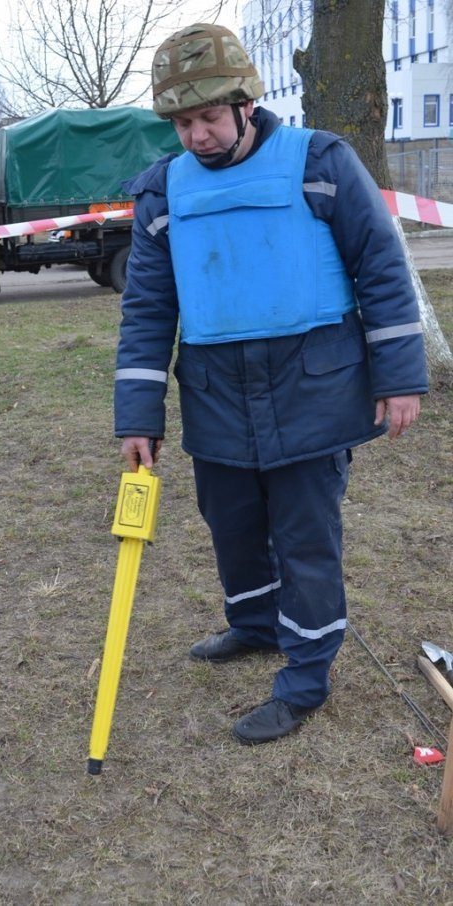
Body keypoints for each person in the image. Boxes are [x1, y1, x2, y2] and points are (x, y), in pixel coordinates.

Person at [114, 23, 428, 745]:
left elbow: (381, 270)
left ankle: (306, 676)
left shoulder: (321, 162)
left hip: (313, 390)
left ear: (245, 104)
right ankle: (255, 626)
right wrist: (139, 416)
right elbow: (147, 311)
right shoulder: (161, 193)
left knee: (304, 537)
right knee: (232, 526)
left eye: (208, 118)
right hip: (216, 394)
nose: (195, 135)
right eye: (183, 122)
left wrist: (400, 376)